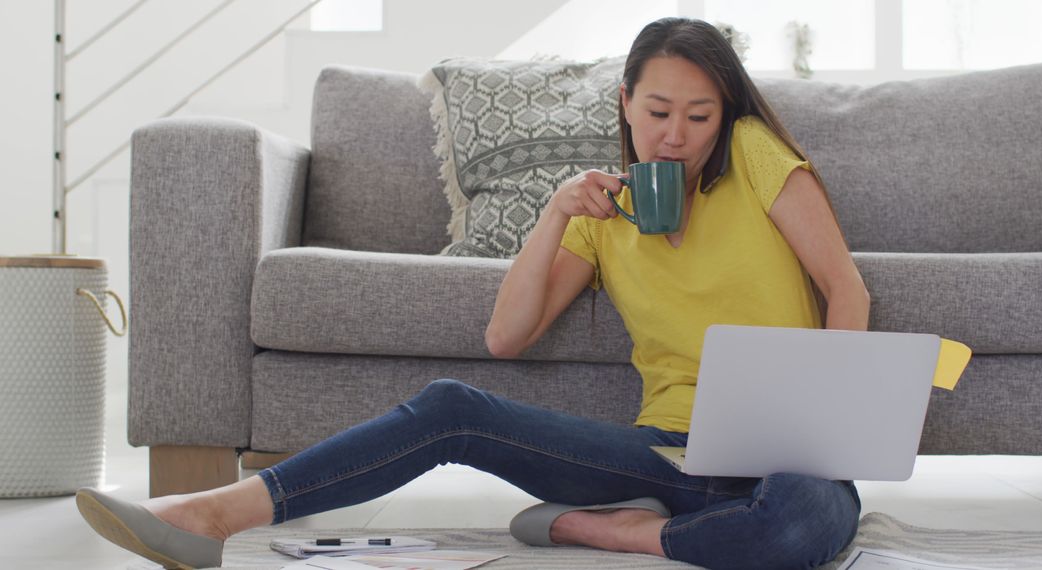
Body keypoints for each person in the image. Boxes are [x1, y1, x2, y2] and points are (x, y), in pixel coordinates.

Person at [76, 17, 870, 570]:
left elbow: (845, 289)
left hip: (787, 453)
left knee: (800, 525)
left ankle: (610, 534)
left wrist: (827, 426)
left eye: (700, 116)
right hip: (665, 452)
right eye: (658, 111)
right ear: (624, 104)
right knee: (453, 405)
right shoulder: (599, 217)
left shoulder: (760, 158)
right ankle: (218, 512)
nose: (676, 134)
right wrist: (559, 209)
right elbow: (506, 336)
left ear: (724, 118)